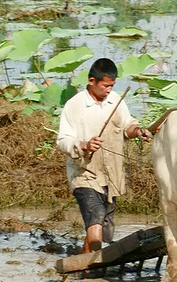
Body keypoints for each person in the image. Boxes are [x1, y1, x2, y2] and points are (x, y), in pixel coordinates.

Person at [56, 58, 152, 254]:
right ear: (92, 81)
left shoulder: (115, 100)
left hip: (111, 174)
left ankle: (84, 261)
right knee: (97, 214)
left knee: (104, 230)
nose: (109, 90)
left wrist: (137, 131)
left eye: (112, 86)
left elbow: (127, 125)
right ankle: (95, 264)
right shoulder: (75, 106)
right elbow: (63, 140)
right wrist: (83, 145)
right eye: (105, 85)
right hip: (84, 172)